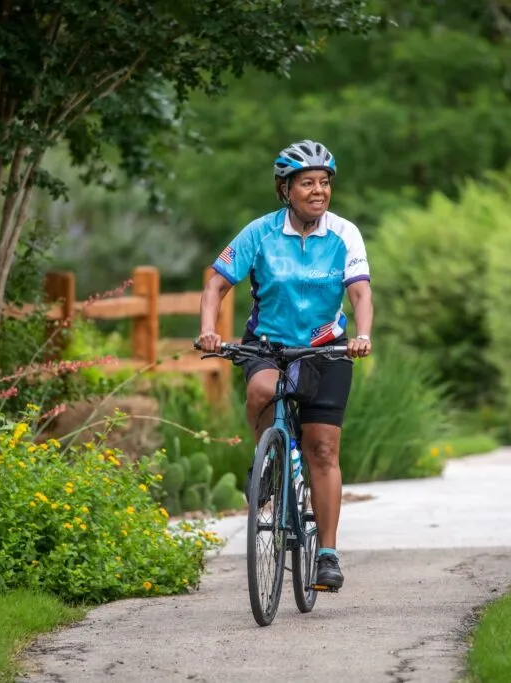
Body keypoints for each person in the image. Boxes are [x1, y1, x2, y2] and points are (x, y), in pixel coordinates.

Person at [197, 139, 373, 592]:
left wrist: (362, 334)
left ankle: (328, 555)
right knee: (261, 391)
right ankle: (269, 473)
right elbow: (217, 281)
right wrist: (209, 330)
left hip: (327, 349)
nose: (319, 191)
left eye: (324, 182)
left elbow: (359, 291)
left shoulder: (344, 233)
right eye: (308, 183)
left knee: (322, 450)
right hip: (269, 345)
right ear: (285, 189)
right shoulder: (259, 233)